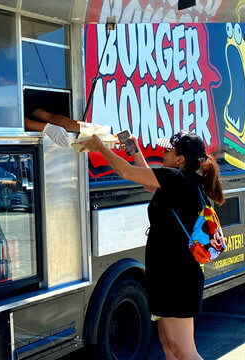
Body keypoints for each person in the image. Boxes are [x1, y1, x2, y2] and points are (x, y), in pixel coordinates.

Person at [81, 131, 224, 360]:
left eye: (168, 150)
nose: (163, 153)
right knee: (168, 345)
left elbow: (126, 172)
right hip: (167, 275)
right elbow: (149, 184)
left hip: (179, 277)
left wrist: (100, 147)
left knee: (184, 350)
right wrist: (134, 150)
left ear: (180, 159)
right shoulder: (184, 181)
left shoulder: (177, 178)